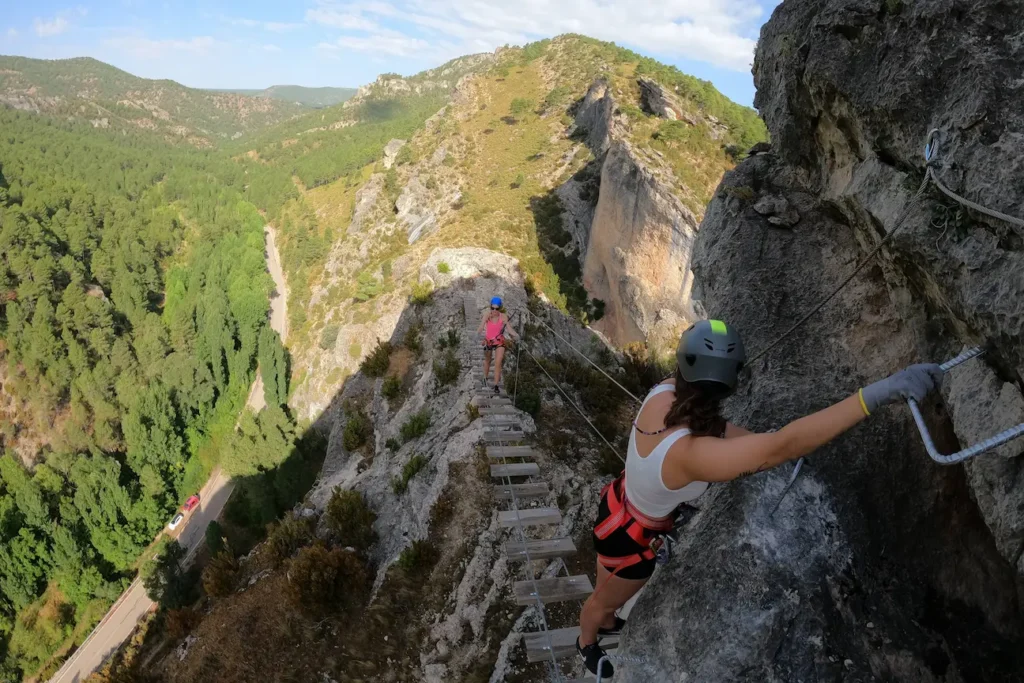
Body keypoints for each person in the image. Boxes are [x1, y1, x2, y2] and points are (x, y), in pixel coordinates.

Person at [576, 319, 944, 678]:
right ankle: (586, 643)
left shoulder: (665, 391)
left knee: (606, 591)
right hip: (632, 542)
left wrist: (752, 440)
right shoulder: (690, 455)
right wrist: (879, 393)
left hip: (616, 507)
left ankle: (607, 621)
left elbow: (719, 429)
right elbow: (780, 446)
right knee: (602, 602)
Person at [476, 296, 518, 394]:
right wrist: (477, 334)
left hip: (499, 341)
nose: (494, 310)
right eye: (492, 308)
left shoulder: (503, 316)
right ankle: (485, 378)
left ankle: (496, 385)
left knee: (498, 362)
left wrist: (516, 335)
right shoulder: (487, 315)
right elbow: (481, 326)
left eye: (497, 308)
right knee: (488, 360)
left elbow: (509, 328)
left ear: (500, 308)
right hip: (489, 341)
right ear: (490, 307)